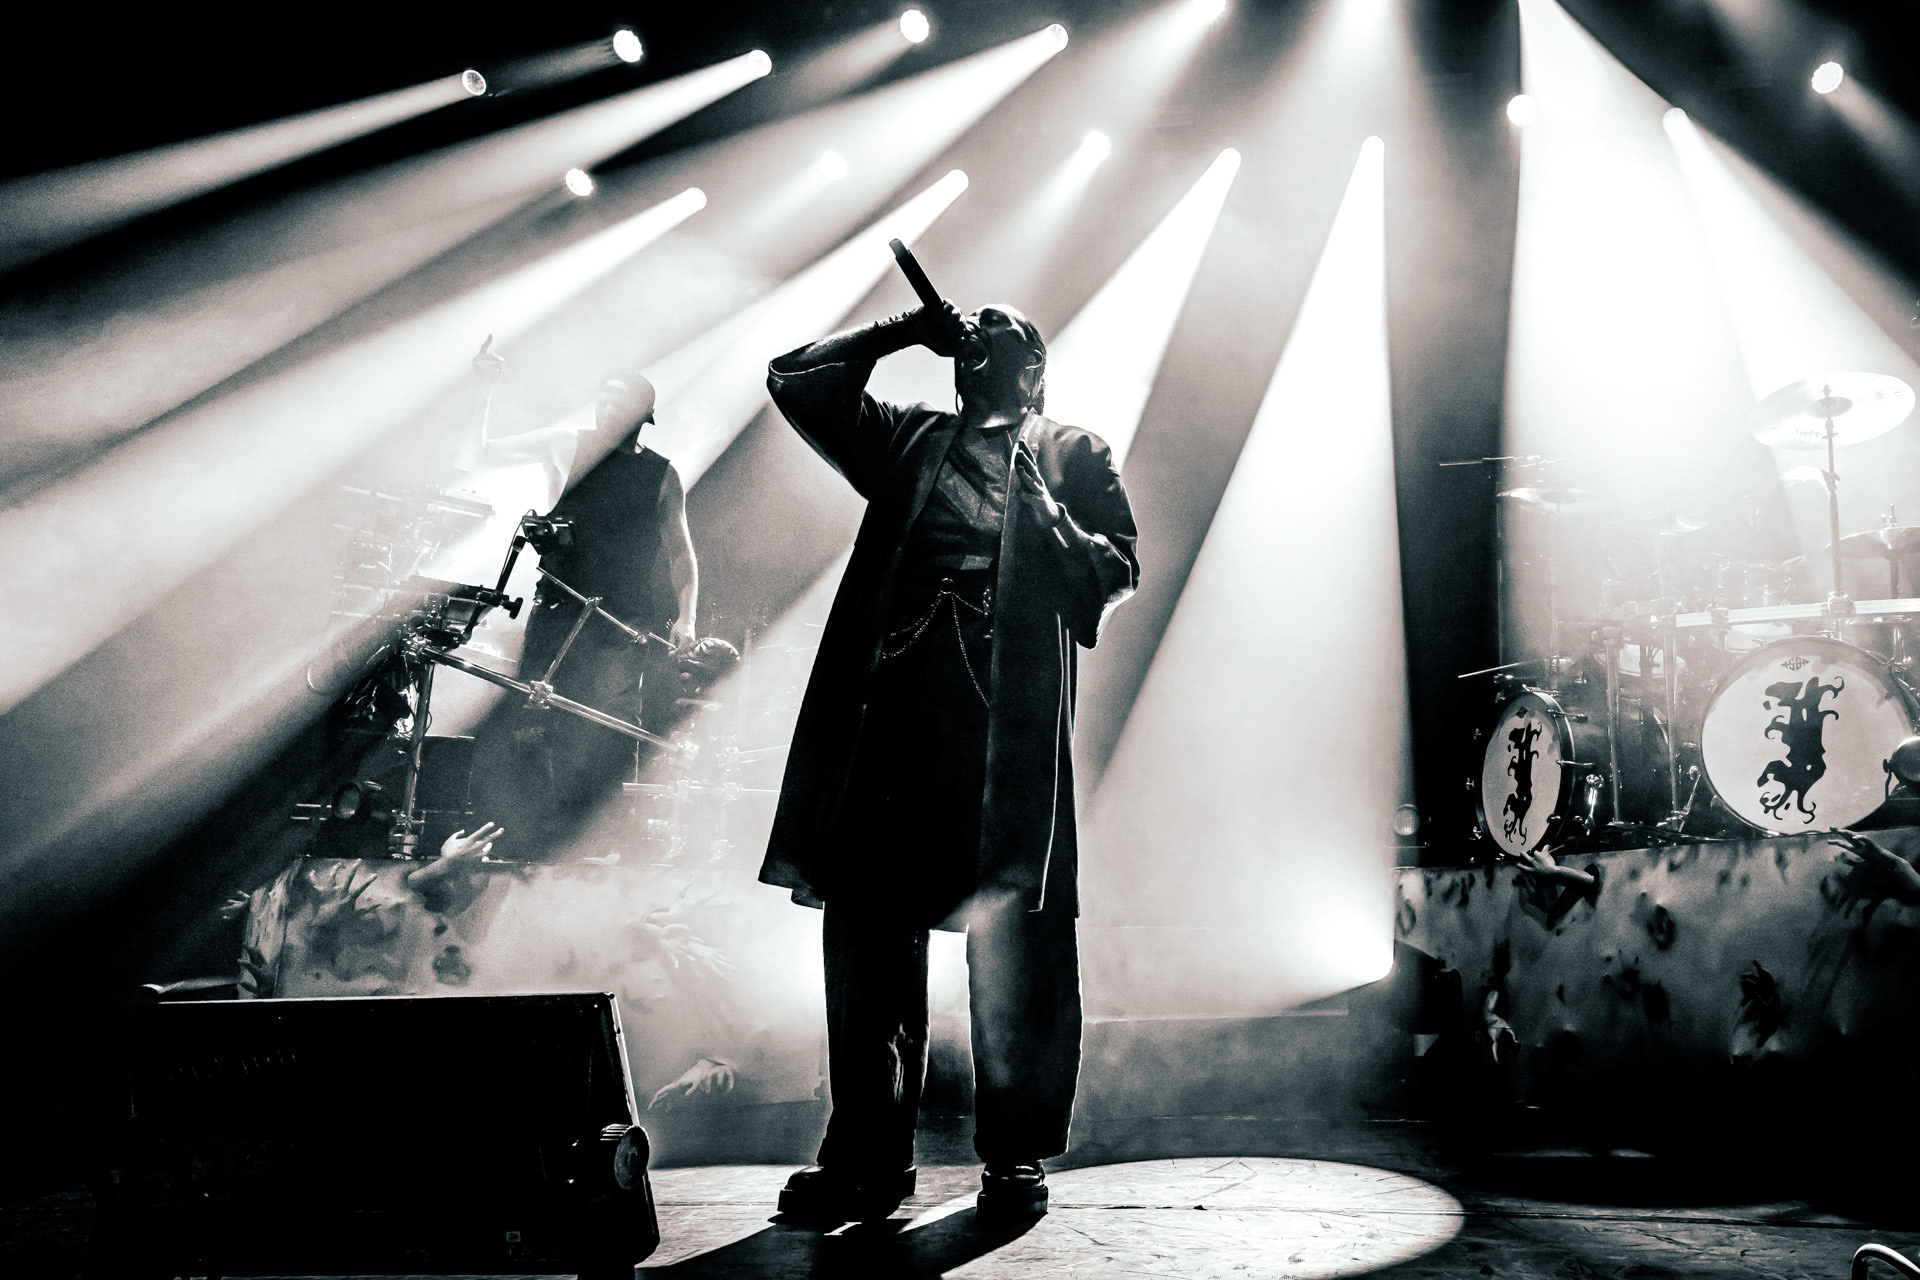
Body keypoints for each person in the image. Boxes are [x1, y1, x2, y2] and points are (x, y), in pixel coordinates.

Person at [757, 299, 1139, 1223]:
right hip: (892, 724)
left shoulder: (1073, 453)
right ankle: (867, 1159)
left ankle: (1015, 1155)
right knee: (869, 938)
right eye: (965, 333)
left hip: (1001, 738)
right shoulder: (911, 439)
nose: (974, 337)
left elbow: (1116, 571)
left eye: (995, 330)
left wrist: (1045, 510)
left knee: (1016, 942)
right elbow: (796, 379)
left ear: (1032, 365)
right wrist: (900, 330)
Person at [466, 340, 699, 855]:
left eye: (620, 401)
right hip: (559, 612)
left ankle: (598, 841)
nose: (606, 408)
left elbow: (682, 555)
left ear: (644, 415)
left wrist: (687, 618)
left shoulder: (662, 474)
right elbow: (481, 454)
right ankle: (523, 839)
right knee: (533, 719)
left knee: (604, 730)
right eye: (602, 398)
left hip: (621, 623)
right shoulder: (566, 446)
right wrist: (484, 387)